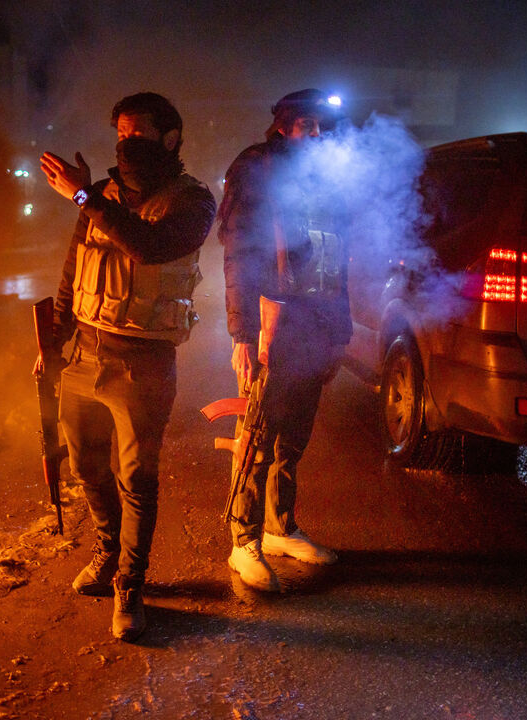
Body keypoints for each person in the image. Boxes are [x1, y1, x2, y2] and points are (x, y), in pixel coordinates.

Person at [38, 92, 216, 640]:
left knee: (136, 478)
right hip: (85, 356)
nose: (126, 142)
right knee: (85, 466)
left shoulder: (193, 202)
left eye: (138, 133)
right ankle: (107, 554)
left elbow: (148, 246)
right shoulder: (102, 197)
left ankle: (130, 588)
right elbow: (75, 269)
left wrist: (84, 194)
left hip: (143, 363)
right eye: (120, 133)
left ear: (170, 139)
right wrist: (54, 341)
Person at [218, 88, 348, 592]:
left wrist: (340, 331)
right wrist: (242, 334)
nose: (317, 136)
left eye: (322, 128)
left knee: (293, 437)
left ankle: (279, 527)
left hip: (317, 322)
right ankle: (243, 539)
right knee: (258, 434)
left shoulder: (326, 179)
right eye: (308, 126)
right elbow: (238, 255)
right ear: (283, 125)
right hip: (274, 322)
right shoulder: (258, 167)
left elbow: (338, 257)